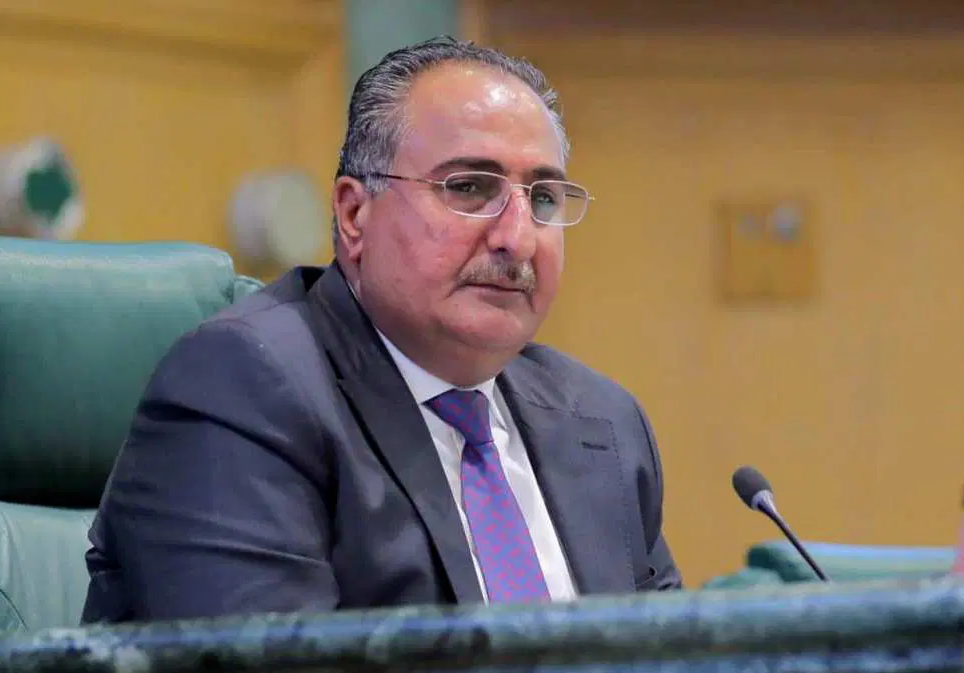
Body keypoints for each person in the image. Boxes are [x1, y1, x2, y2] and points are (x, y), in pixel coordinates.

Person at [81, 36, 682, 624]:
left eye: (543, 199)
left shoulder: (601, 421)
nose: (517, 238)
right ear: (354, 213)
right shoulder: (243, 387)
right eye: (469, 188)